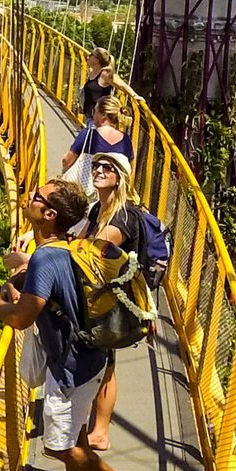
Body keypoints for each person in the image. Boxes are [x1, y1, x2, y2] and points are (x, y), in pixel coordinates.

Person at [0, 181, 139, 471]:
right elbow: (45, 295)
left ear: (49, 214)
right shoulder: (68, 246)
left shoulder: (44, 257)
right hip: (88, 356)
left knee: (58, 446)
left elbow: (22, 318)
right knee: (77, 434)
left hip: (73, 366)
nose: (29, 196)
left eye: (37, 197)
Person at [79, 151, 156, 451]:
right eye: (96, 166)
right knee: (102, 361)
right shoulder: (98, 209)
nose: (98, 170)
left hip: (116, 303)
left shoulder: (123, 216)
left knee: (106, 363)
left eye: (107, 168)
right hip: (100, 296)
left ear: (119, 178)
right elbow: (79, 243)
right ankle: (92, 426)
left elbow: (90, 250)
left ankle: (100, 432)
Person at [61, 96, 134, 180]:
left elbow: (67, 160)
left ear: (103, 115)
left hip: (86, 185)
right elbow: (128, 166)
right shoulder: (126, 140)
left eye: (95, 111)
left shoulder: (88, 134)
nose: (93, 114)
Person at [80, 47, 117, 123]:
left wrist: (134, 95)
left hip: (98, 119)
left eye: (91, 55)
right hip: (90, 116)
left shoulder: (105, 74)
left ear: (97, 60)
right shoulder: (94, 72)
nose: (88, 56)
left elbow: (122, 85)